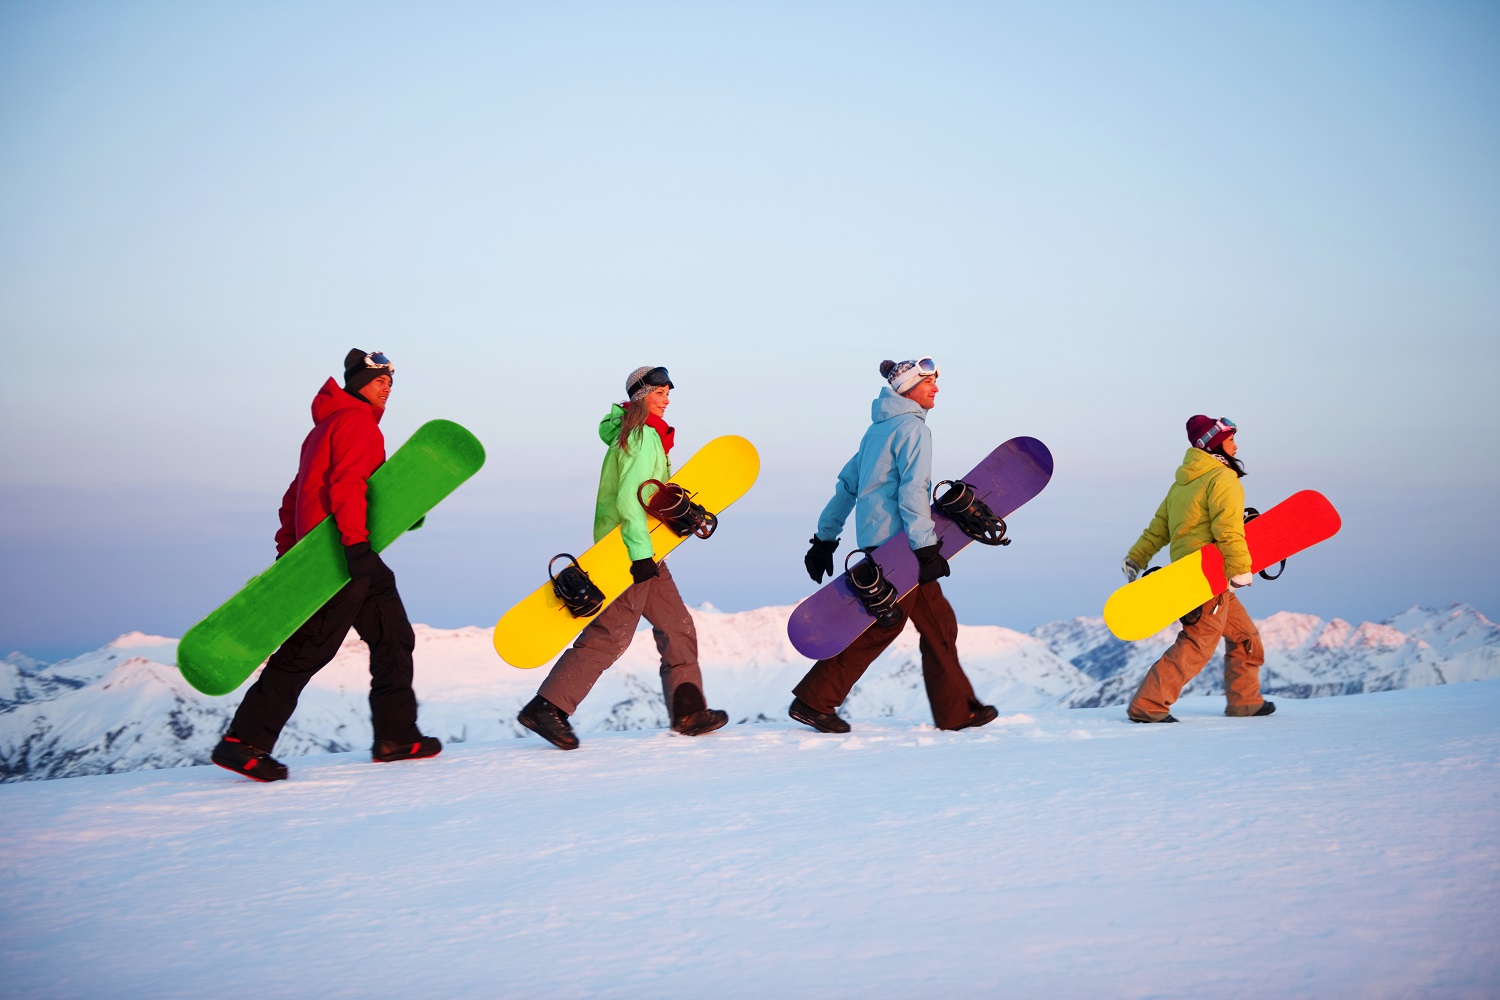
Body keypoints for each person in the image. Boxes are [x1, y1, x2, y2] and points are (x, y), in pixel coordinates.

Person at [211, 349, 441, 781]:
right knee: (308, 649)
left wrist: (288, 551)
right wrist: (353, 547)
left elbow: (293, 497)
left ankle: (396, 736)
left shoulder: (326, 428)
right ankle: (242, 742)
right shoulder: (356, 425)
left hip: (336, 551)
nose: (387, 386)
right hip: (339, 556)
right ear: (356, 383)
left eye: (391, 380)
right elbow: (347, 486)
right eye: (377, 379)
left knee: (393, 636)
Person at [517, 366, 729, 750]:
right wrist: (639, 555)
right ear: (642, 396)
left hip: (640, 549)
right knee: (610, 635)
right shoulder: (643, 435)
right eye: (659, 393)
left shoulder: (636, 436)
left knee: (677, 626)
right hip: (630, 553)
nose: (666, 401)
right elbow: (632, 497)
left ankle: (689, 712)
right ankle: (547, 707)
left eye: (668, 394)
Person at [789, 358, 998, 734]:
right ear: (906, 388)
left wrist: (824, 539)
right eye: (928, 381)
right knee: (882, 625)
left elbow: (847, 488)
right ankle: (813, 701)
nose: (936, 388)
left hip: (879, 545)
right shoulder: (912, 429)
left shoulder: (877, 431)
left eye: (936, 381)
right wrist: (925, 548)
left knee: (938, 624)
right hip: (900, 549)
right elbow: (913, 490)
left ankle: (959, 712)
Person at [1120, 415, 1275, 723]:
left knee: (1245, 637)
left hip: (1193, 572)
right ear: (1215, 443)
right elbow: (1228, 528)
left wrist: (1136, 558)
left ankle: (1245, 701)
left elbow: (1157, 530)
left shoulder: (1181, 485)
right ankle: (1149, 705)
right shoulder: (1221, 478)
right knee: (1198, 643)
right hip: (1209, 574)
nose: (1236, 445)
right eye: (1231, 439)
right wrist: (1241, 568)